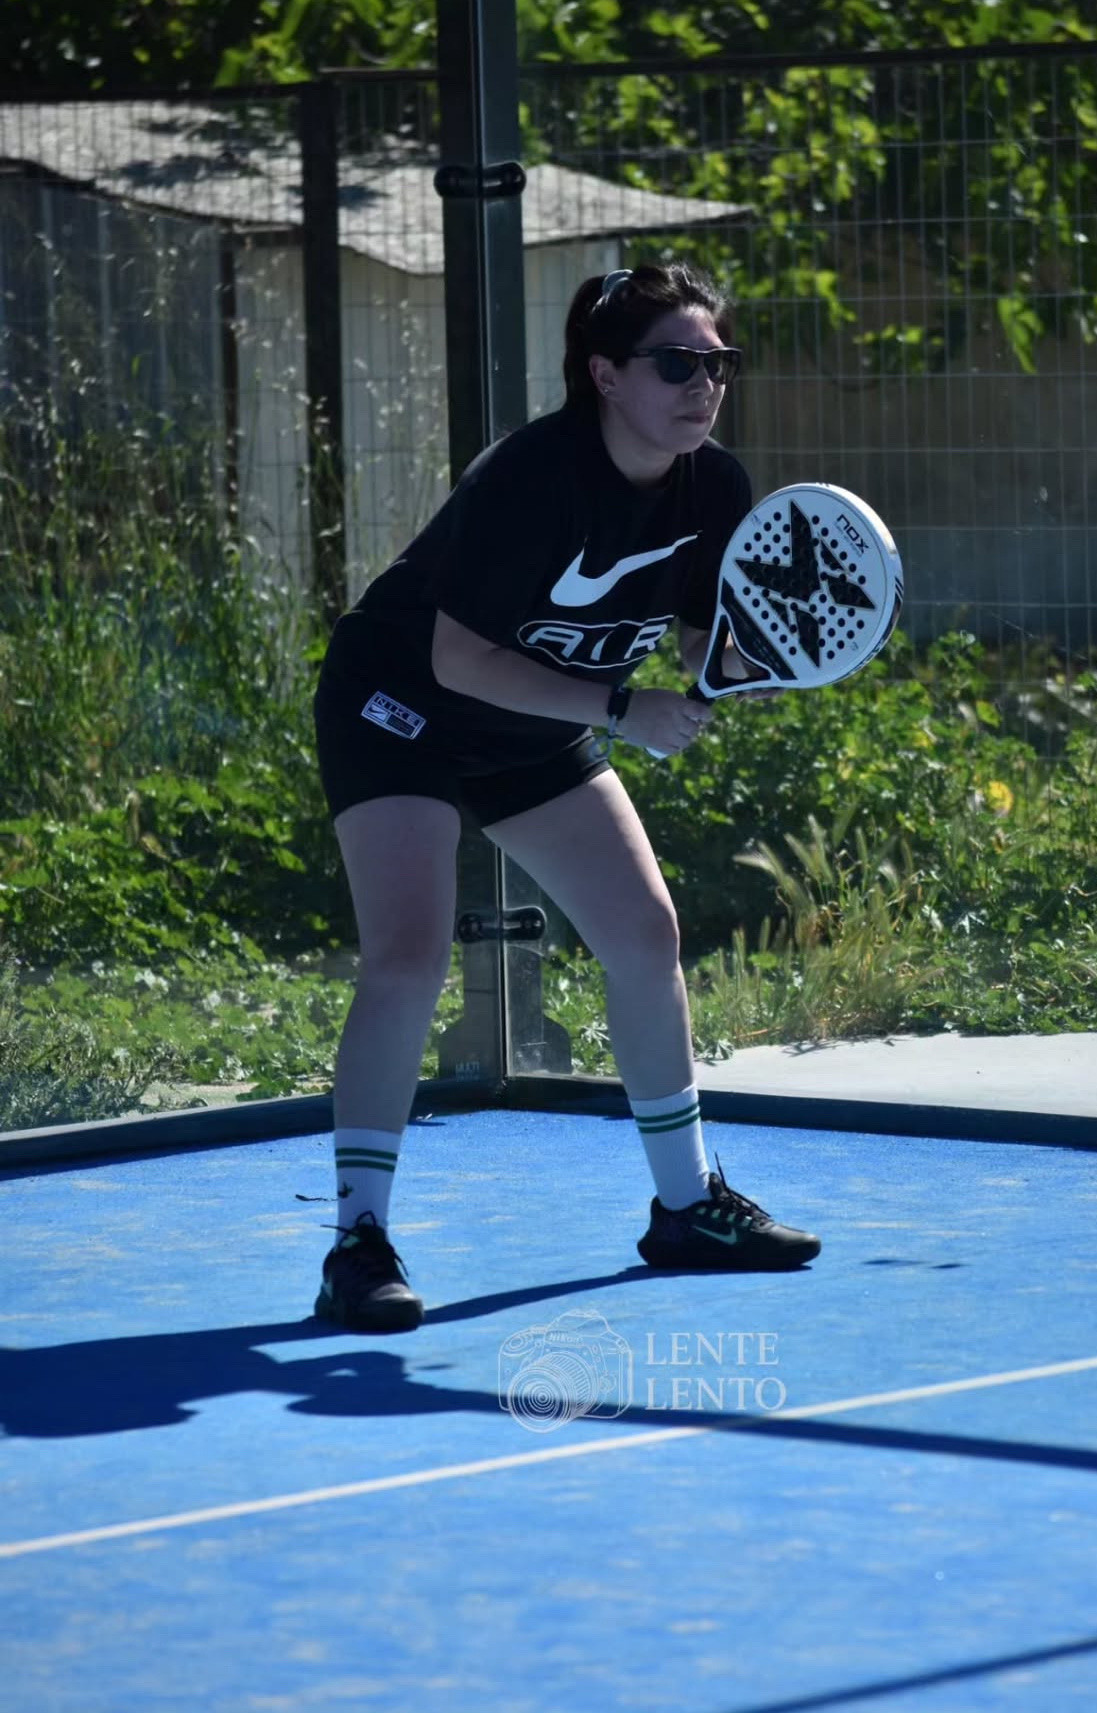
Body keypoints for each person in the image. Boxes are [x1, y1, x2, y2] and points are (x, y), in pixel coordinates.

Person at [310, 261, 821, 1332]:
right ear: (605, 374)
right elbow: (457, 658)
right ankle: (357, 1242)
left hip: (534, 726)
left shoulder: (714, 487)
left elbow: (702, 635)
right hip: (400, 705)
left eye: (718, 365)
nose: (704, 385)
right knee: (408, 955)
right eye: (676, 364)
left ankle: (686, 1208)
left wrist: (747, 658)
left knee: (645, 933)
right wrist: (625, 709)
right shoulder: (529, 478)